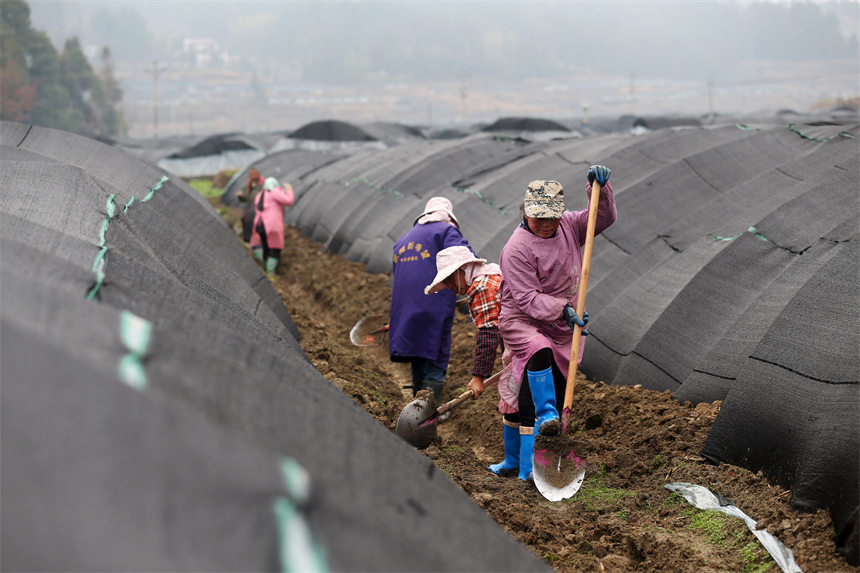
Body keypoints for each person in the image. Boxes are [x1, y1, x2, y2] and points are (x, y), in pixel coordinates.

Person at [498, 167, 617, 481]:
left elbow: (600, 219)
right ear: (526, 213)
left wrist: (600, 191)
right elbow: (526, 299)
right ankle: (529, 455)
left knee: (562, 381)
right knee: (539, 354)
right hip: (522, 318)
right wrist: (564, 310)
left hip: (562, 324)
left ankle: (542, 466)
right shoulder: (516, 249)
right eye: (539, 217)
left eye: (552, 217)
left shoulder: (569, 226)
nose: (546, 224)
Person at [424, 245, 516, 471]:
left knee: (520, 401)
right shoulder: (491, 275)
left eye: (449, 281)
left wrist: (478, 377)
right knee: (512, 400)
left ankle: (526, 464)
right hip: (515, 345)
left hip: (523, 346)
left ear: (461, 271)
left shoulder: (481, 287)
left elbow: (487, 334)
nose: (451, 289)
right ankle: (514, 461)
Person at [389, 197, 473, 402]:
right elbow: (462, 255)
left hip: (404, 304)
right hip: (434, 300)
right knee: (436, 347)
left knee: (416, 348)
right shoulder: (445, 232)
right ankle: (431, 405)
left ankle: (417, 402)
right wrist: (480, 278)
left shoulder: (402, 241)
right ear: (447, 216)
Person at [250, 177, 294, 276]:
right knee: (276, 248)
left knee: (265, 247)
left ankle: (265, 270)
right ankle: (270, 272)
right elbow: (288, 201)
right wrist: (289, 190)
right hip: (271, 225)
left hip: (259, 224)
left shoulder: (260, 194)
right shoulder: (273, 192)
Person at [238, 168, 266, 260]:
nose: (254, 177)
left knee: (259, 228)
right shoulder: (247, 185)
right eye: (252, 175)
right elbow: (246, 198)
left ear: (259, 175)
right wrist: (241, 197)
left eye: (255, 174)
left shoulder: (264, 184)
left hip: (261, 210)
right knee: (246, 221)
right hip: (250, 208)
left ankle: (261, 250)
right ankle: (250, 245)